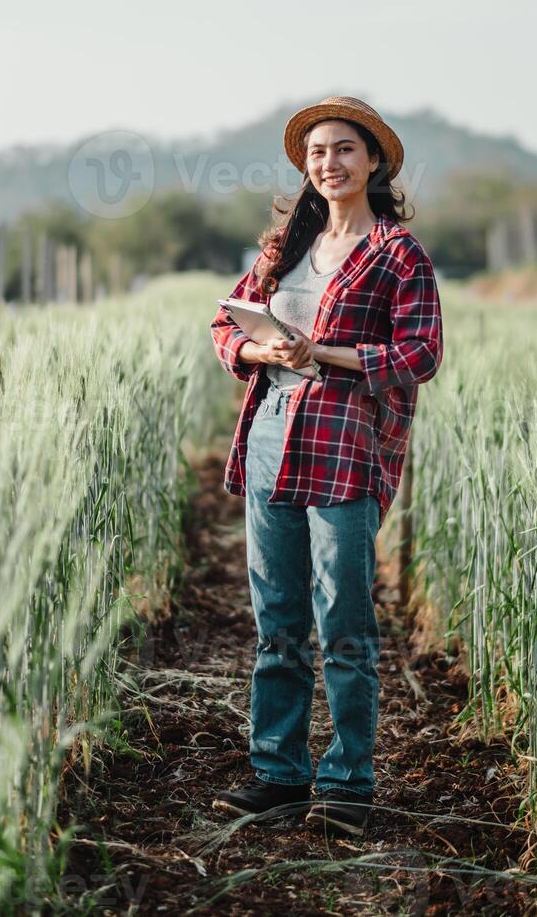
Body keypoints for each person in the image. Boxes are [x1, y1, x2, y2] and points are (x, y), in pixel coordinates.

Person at [209, 96, 444, 838]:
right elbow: (226, 324)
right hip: (272, 431)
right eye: (316, 153)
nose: (329, 163)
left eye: (344, 149)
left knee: (342, 619)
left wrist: (323, 354)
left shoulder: (399, 254)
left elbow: (420, 354)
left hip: (346, 440)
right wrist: (259, 348)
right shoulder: (284, 248)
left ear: (373, 161)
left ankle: (348, 781)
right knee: (276, 620)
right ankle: (278, 774)